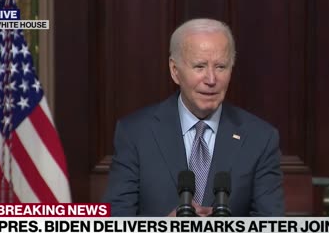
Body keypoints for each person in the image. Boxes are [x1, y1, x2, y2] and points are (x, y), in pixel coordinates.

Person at [102, 18, 284, 217]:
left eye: (221, 67)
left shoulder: (260, 138)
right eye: (199, 67)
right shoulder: (135, 133)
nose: (211, 79)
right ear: (175, 70)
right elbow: (115, 231)